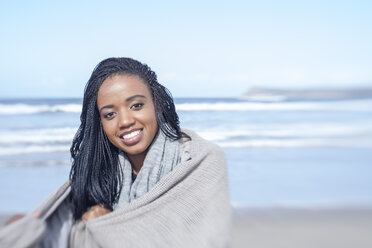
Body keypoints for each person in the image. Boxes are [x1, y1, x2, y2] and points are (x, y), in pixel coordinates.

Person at [0, 57, 231, 247]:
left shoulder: (201, 161)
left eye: (137, 105)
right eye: (110, 114)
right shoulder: (97, 173)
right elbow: (60, 234)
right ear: (100, 122)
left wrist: (108, 227)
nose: (125, 121)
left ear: (157, 104)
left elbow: (207, 240)